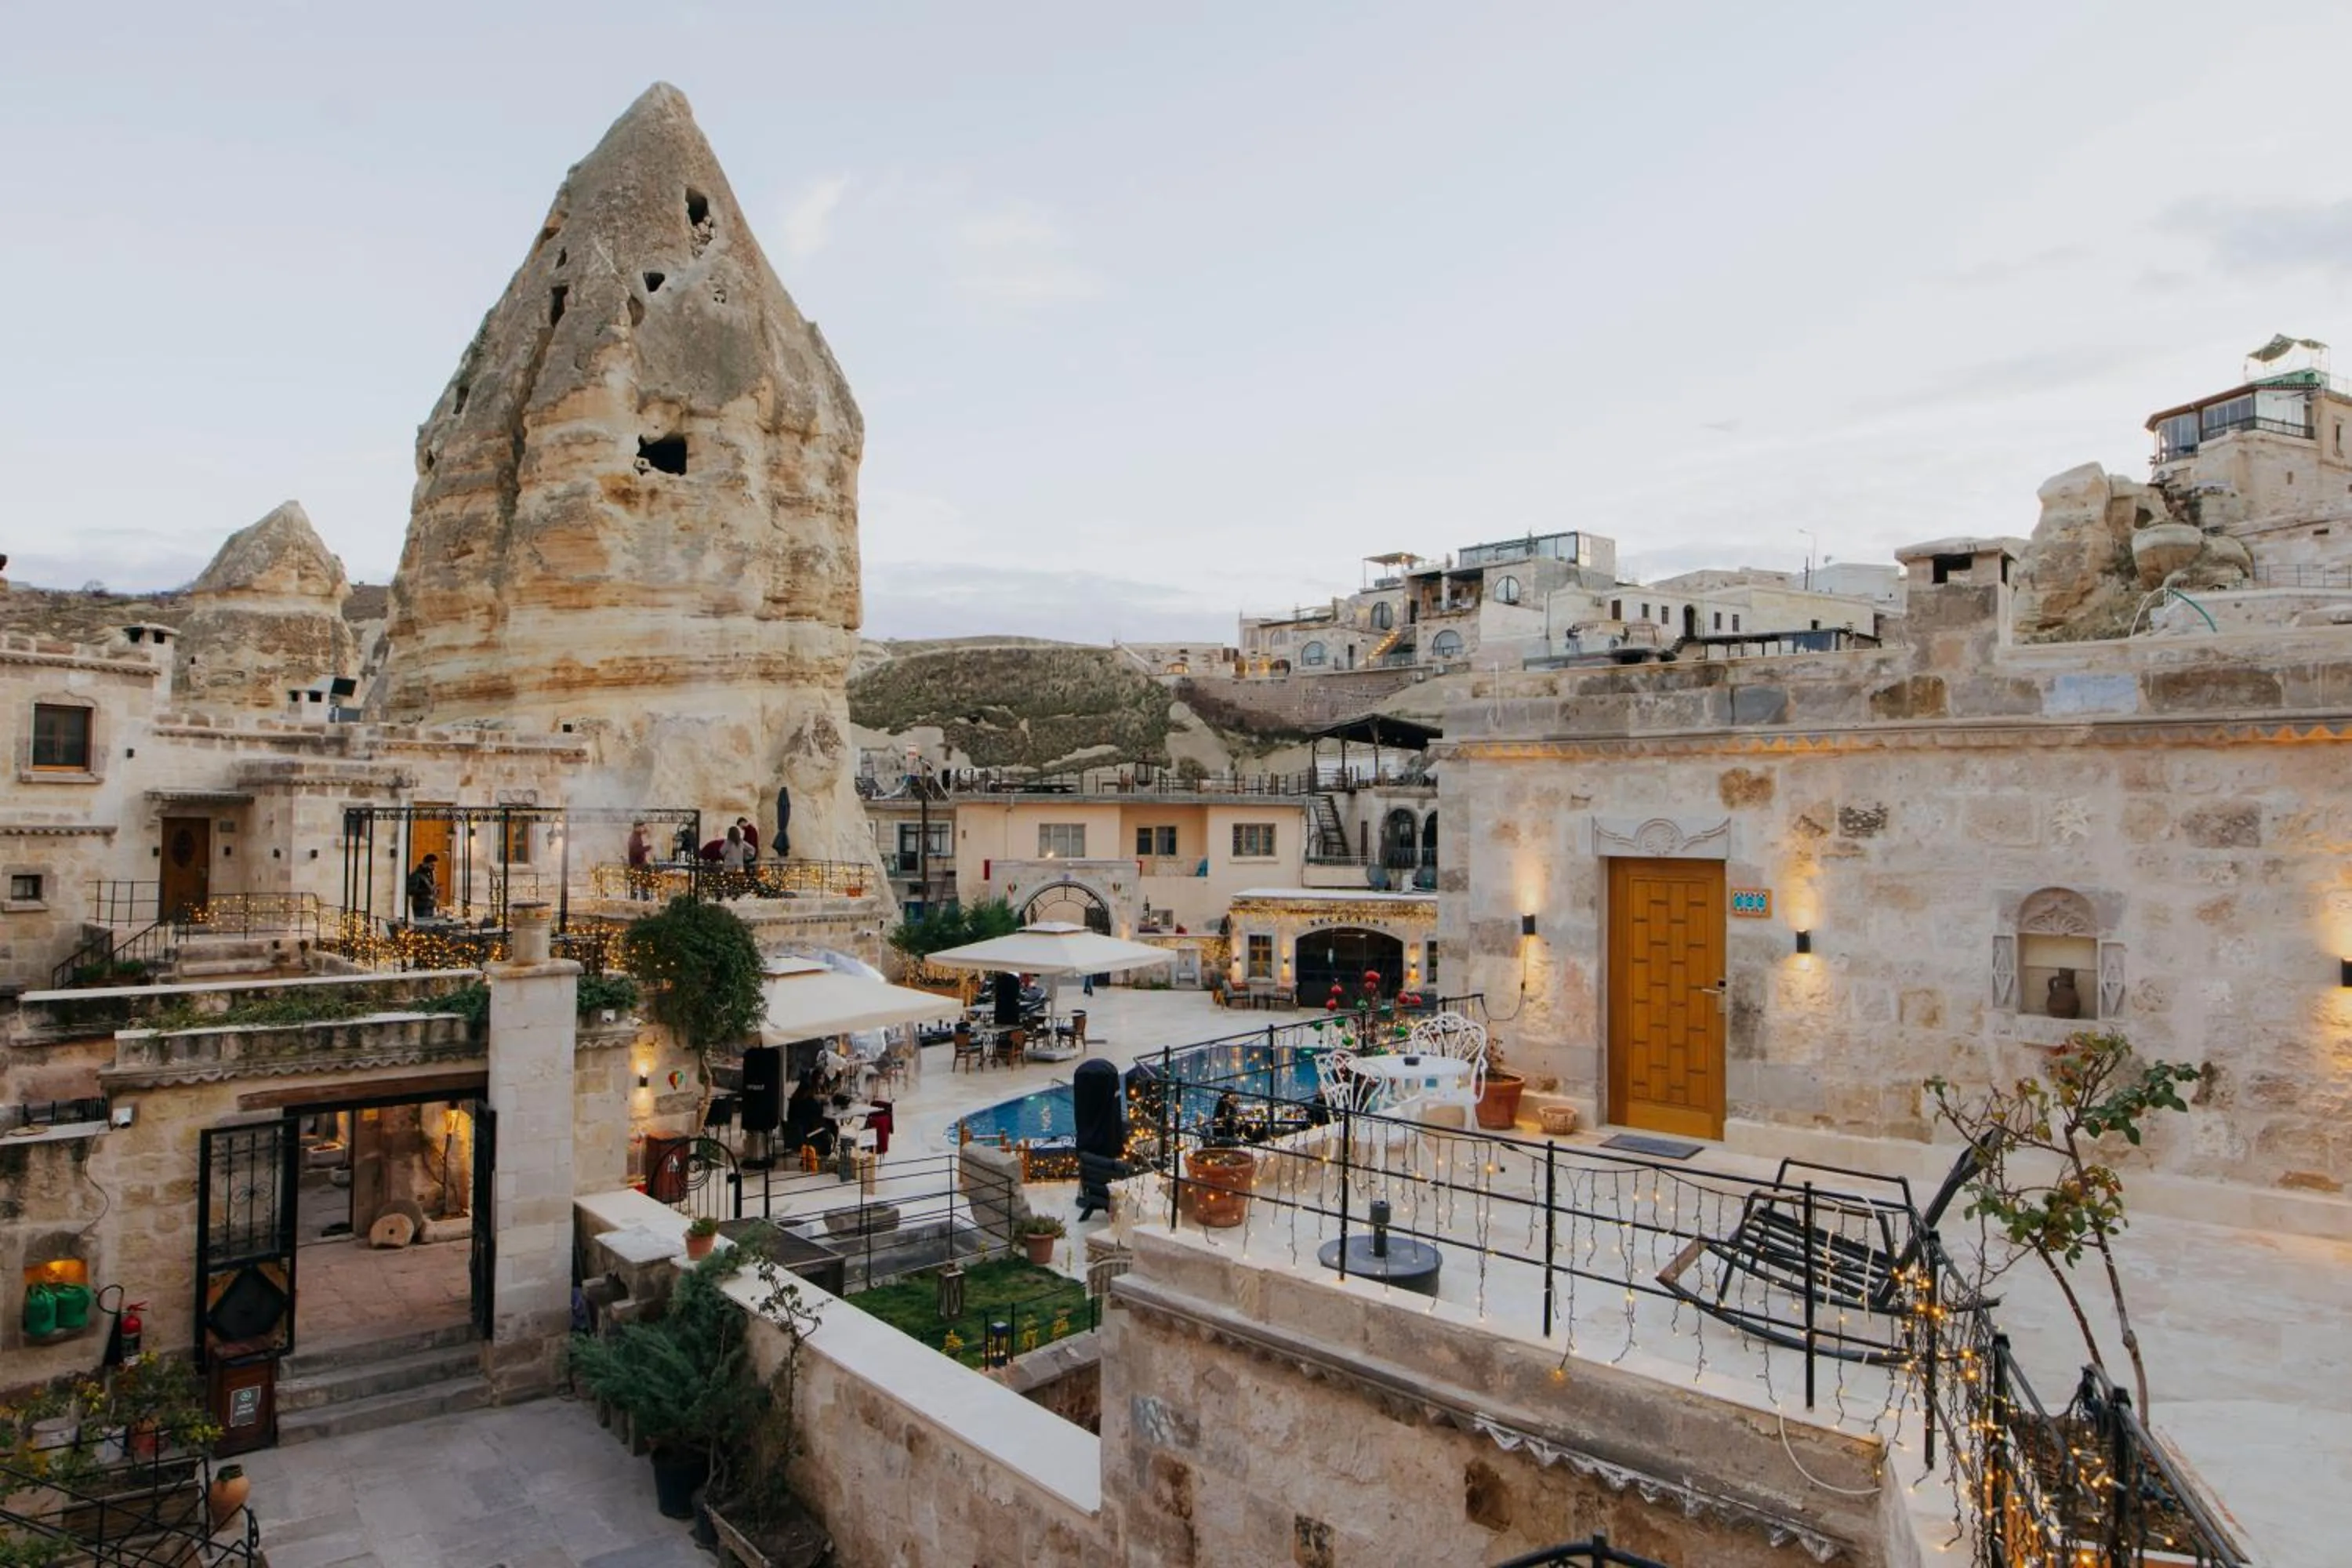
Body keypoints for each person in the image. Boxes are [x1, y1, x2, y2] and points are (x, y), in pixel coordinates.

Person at [406, 854, 439, 920]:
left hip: (430, 906)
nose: (433, 868)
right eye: (432, 865)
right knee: (423, 926)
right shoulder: (416, 875)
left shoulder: (429, 874)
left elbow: (430, 888)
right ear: (425, 864)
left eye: (435, 866)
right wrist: (426, 891)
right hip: (421, 908)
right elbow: (410, 891)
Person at [626, 822, 653, 902]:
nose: (643, 828)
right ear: (637, 827)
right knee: (642, 880)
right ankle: (643, 896)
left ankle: (640, 896)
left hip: (638, 863)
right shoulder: (635, 837)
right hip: (637, 863)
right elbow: (636, 850)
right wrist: (647, 848)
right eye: (642, 827)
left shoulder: (637, 836)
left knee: (640, 880)